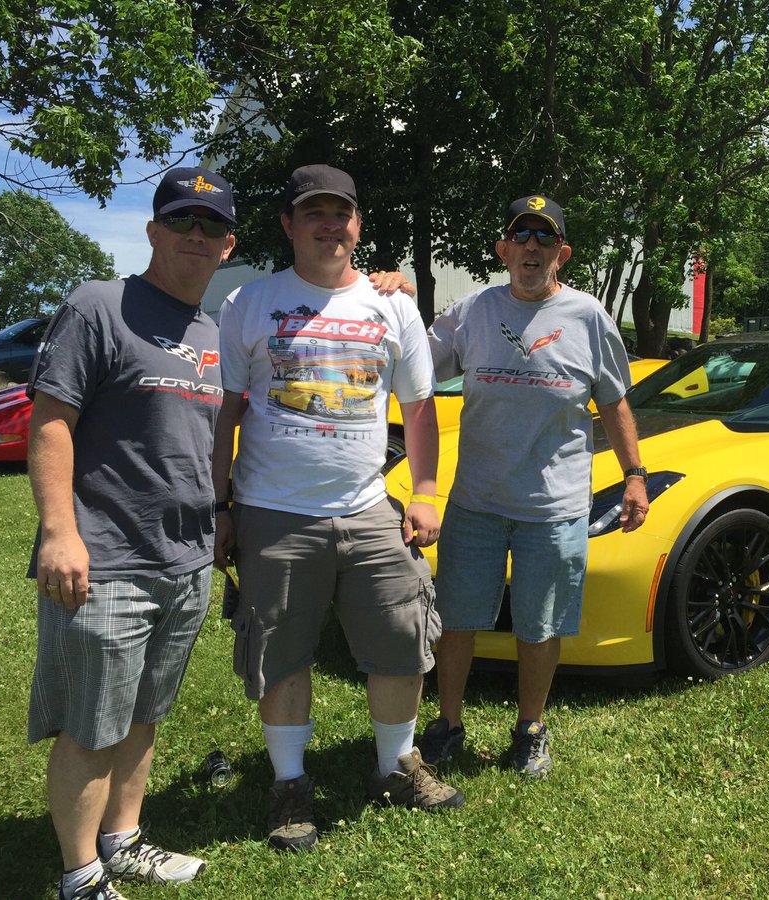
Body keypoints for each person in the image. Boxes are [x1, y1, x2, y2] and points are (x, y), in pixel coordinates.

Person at [211, 164, 462, 854]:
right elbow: (227, 411)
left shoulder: (394, 306)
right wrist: (220, 504)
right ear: (289, 225)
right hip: (271, 510)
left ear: (357, 224)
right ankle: (290, 784)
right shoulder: (249, 304)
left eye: (341, 213)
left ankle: (395, 765)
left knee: (402, 637)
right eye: (312, 213)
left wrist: (428, 492)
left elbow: (418, 408)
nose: (329, 225)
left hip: (369, 508)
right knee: (281, 651)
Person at [28, 167, 238, 900]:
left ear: (227, 244)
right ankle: (80, 875)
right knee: (92, 721)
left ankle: (122, 838)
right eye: (182, 221)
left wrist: (221, 520)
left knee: (145, 711)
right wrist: (60, 531)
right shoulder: (99, 306)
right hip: (104, 557)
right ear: (153, 231)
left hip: (185, 560)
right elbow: (51, 420)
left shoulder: (215, 333)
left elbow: (210, 443)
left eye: (211, 227)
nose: (195, 236)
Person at [421, 194, 648, 778]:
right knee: (458, 617)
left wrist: (635, 476)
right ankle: (448, 723)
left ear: (561, 254)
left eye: (543, 238)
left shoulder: (588, 317)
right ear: (503, 248)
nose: (530, 247)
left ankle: (530, 729)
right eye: (520, 235)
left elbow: (614, 399)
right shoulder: (473, 310)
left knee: (540, 623)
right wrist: (382, 299)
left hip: (555, 505)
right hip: (476, 500)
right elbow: (413, 364)